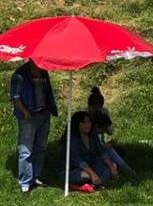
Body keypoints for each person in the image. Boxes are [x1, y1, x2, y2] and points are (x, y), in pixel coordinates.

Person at [10, 60, 58, 193]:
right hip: (29, 116)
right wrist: (25, 113)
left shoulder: (44, 72)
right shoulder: (19, 75)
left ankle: (35, 176)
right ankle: (25, 182)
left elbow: (48, 92)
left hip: (43, 114)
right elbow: (16, 97)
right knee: (26, 150)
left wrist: (50, 109)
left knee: (41, 147)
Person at [61, 111, 117, 189]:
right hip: (74, 169)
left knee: (113, 165)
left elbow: (101, 152)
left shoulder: (93, 136)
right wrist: (92, 174)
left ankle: (98, 183)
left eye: (89, 122)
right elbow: (78, 161)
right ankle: (96, 182)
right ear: (77, 124)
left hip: (92, 166)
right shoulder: (72, 140)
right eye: (83, 122)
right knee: (87, 176)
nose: (87, 125)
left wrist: (111, 167)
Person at [87, 87, 132, 174]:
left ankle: (119, 168)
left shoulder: (104, 112)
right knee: (108, 151)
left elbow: (109, 131)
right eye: (95, 107)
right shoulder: (85, 115)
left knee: (118, 151)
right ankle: (125, 170)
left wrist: (106, 127)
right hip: (92, 148)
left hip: (99, 142)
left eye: (99, 107)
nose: (97, 110)